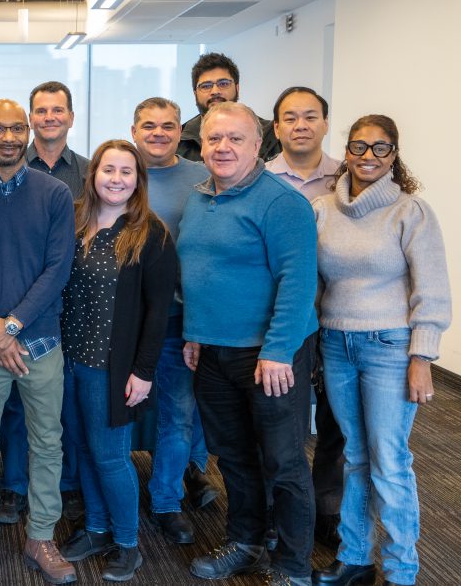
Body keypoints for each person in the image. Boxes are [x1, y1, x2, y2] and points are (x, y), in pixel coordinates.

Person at [179, 102, 318, 586]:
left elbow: (298, 283)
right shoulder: (199, 199)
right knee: (233, 456)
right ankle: (245, 541)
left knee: (282, 462)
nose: (223, 148)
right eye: (215, 139)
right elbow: (199, 272)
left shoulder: (282, 204)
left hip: (270, 355)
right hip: (213, 353)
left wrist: (279, 350)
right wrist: (195, 332)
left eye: (236, 139)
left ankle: (294, 566)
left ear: (259, 145)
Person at [311, 115, 451, 586]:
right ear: (346, 151)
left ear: (394, 155)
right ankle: (354, 558)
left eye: (381, 148)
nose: (369, 156)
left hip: (390, 346)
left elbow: (432, 290)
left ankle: (401, 570)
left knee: (389, 458)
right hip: (336, 342)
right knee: (354, 454)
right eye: (359, 146)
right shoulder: (323, 209)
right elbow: (313, 282)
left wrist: (422, 358)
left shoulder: (411, 211)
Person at [0, 99, 77, 586]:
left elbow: (58, 268)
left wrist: (15, 325)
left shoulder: (56, 193)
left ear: (26, 131)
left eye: (15, 128)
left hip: (40, 342)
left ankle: (41, 536)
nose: (7, 137)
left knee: (48, 442)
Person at [58, 139, 177, 582]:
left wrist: (143, 371)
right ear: (93, 175)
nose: (116, 179)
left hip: (112, 366)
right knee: (83, 448)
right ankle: (96, 527)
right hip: (68, 360)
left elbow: (158, 311)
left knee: (111, 456)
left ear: (138, 181)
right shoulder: (74, 221)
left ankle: (128, 543)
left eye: (127, 172)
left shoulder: (152, 234)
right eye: (109, 170)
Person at [0, 81, 88, 527]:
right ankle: (13, 487)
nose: (50, 117)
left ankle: (63, 486)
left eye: (58, 110)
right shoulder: (9, 169)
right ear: (30, 120)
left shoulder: (89, 173)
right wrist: (9, 322)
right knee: (16, 406)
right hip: (18, 310)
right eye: (41, 111)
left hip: (78, 307)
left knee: (61, 406)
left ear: (71, 117)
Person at [128, 98, 218, 548]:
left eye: (167, 126)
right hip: (126, 319)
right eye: (149, 125)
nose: (158, 133)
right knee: (114, 412)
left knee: (178, 414)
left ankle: (166, 500)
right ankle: (109, 496)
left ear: (180, 130)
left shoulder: (201, 179)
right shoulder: (122, 174)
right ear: (134, 130)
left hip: (181, 314)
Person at [266, 86, 345, 547]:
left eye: (310, 116)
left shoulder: (349, 178)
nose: (300, 125)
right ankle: (283, 512)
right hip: (286, 324)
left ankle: (327, 511)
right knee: (285, 427)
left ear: (325, 123)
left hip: (336, 321)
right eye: (290, 118)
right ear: (275, 128)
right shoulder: (261, 179)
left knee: (335, 424)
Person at [177, 53, 280, 162]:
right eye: (206, 86)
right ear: (195, 93)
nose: (215, 91)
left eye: (223, 84)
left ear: (237, 88)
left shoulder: (271, 134)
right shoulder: (180, 139)